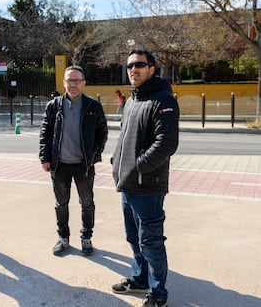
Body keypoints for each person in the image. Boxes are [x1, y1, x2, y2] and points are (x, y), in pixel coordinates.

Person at [111, 50, 179, 307]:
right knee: (133, 238)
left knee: (151, 243)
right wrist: (116, 163)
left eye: (139, 65)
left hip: (147, 186)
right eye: (129, 65)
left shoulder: (163, 100)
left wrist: (139, 167)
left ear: (152, 68)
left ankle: (158, 295)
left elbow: (166, 143)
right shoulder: (132, 101)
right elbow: (125, 138)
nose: (133, 69)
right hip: (127, 184)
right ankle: (139, 280)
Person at [39, 65, 108, 256]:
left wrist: (93, 157)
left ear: (84, 83)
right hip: (59, 164)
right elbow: (45, 133)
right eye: (69, 80)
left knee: (87, 202)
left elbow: (102, 133)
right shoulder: (53, 106)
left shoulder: (93, 106)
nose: (73, 84)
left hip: (83, 165)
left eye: (77, 80)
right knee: (61, 203)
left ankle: (86, 237)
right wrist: (45, 157)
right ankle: (63, 238)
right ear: (64, 82)